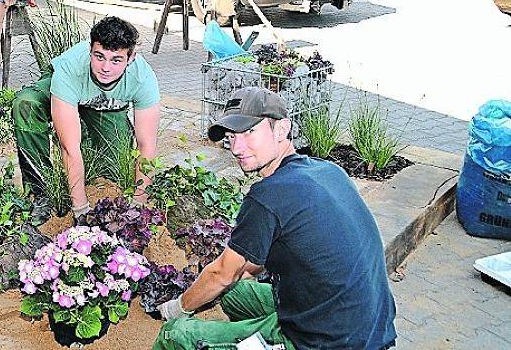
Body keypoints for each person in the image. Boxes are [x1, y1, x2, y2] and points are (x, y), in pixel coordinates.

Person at [154, 87, 396, 350]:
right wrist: (239, 271)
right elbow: (274, 254)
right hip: (367, 326)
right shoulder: (328, 171)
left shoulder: (267, 197)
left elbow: (221, 274)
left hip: (322, 342)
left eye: (249, 132)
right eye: (231, 137)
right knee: (234, 294)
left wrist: (178, 308)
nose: (237, 147)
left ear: (281, 129)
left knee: (174, 335)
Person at [13, 16, 160, 218]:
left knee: (112, 174)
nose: (106, 68)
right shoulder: (70, 69)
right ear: (89, 49)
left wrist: (139, 201)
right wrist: (80, 210)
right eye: (99, 57)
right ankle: (41, 193)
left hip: (104, 105)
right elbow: (69, 147)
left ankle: (88, 139)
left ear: (131, 58)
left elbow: (147, 145)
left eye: (116, 60)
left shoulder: (142, 78)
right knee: (27, 104)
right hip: (70, 90)